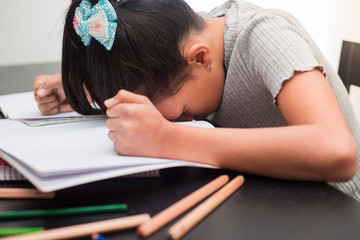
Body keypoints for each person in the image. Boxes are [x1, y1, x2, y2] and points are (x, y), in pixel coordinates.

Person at [33, 0, 360, 200]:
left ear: (200, 58)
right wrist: (81, 87)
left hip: (333, 208)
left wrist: (166, 137)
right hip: (264, 193)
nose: (176, 119)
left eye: (181, 112)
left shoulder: (267, 35)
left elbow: (337, 152)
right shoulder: (185, 36)